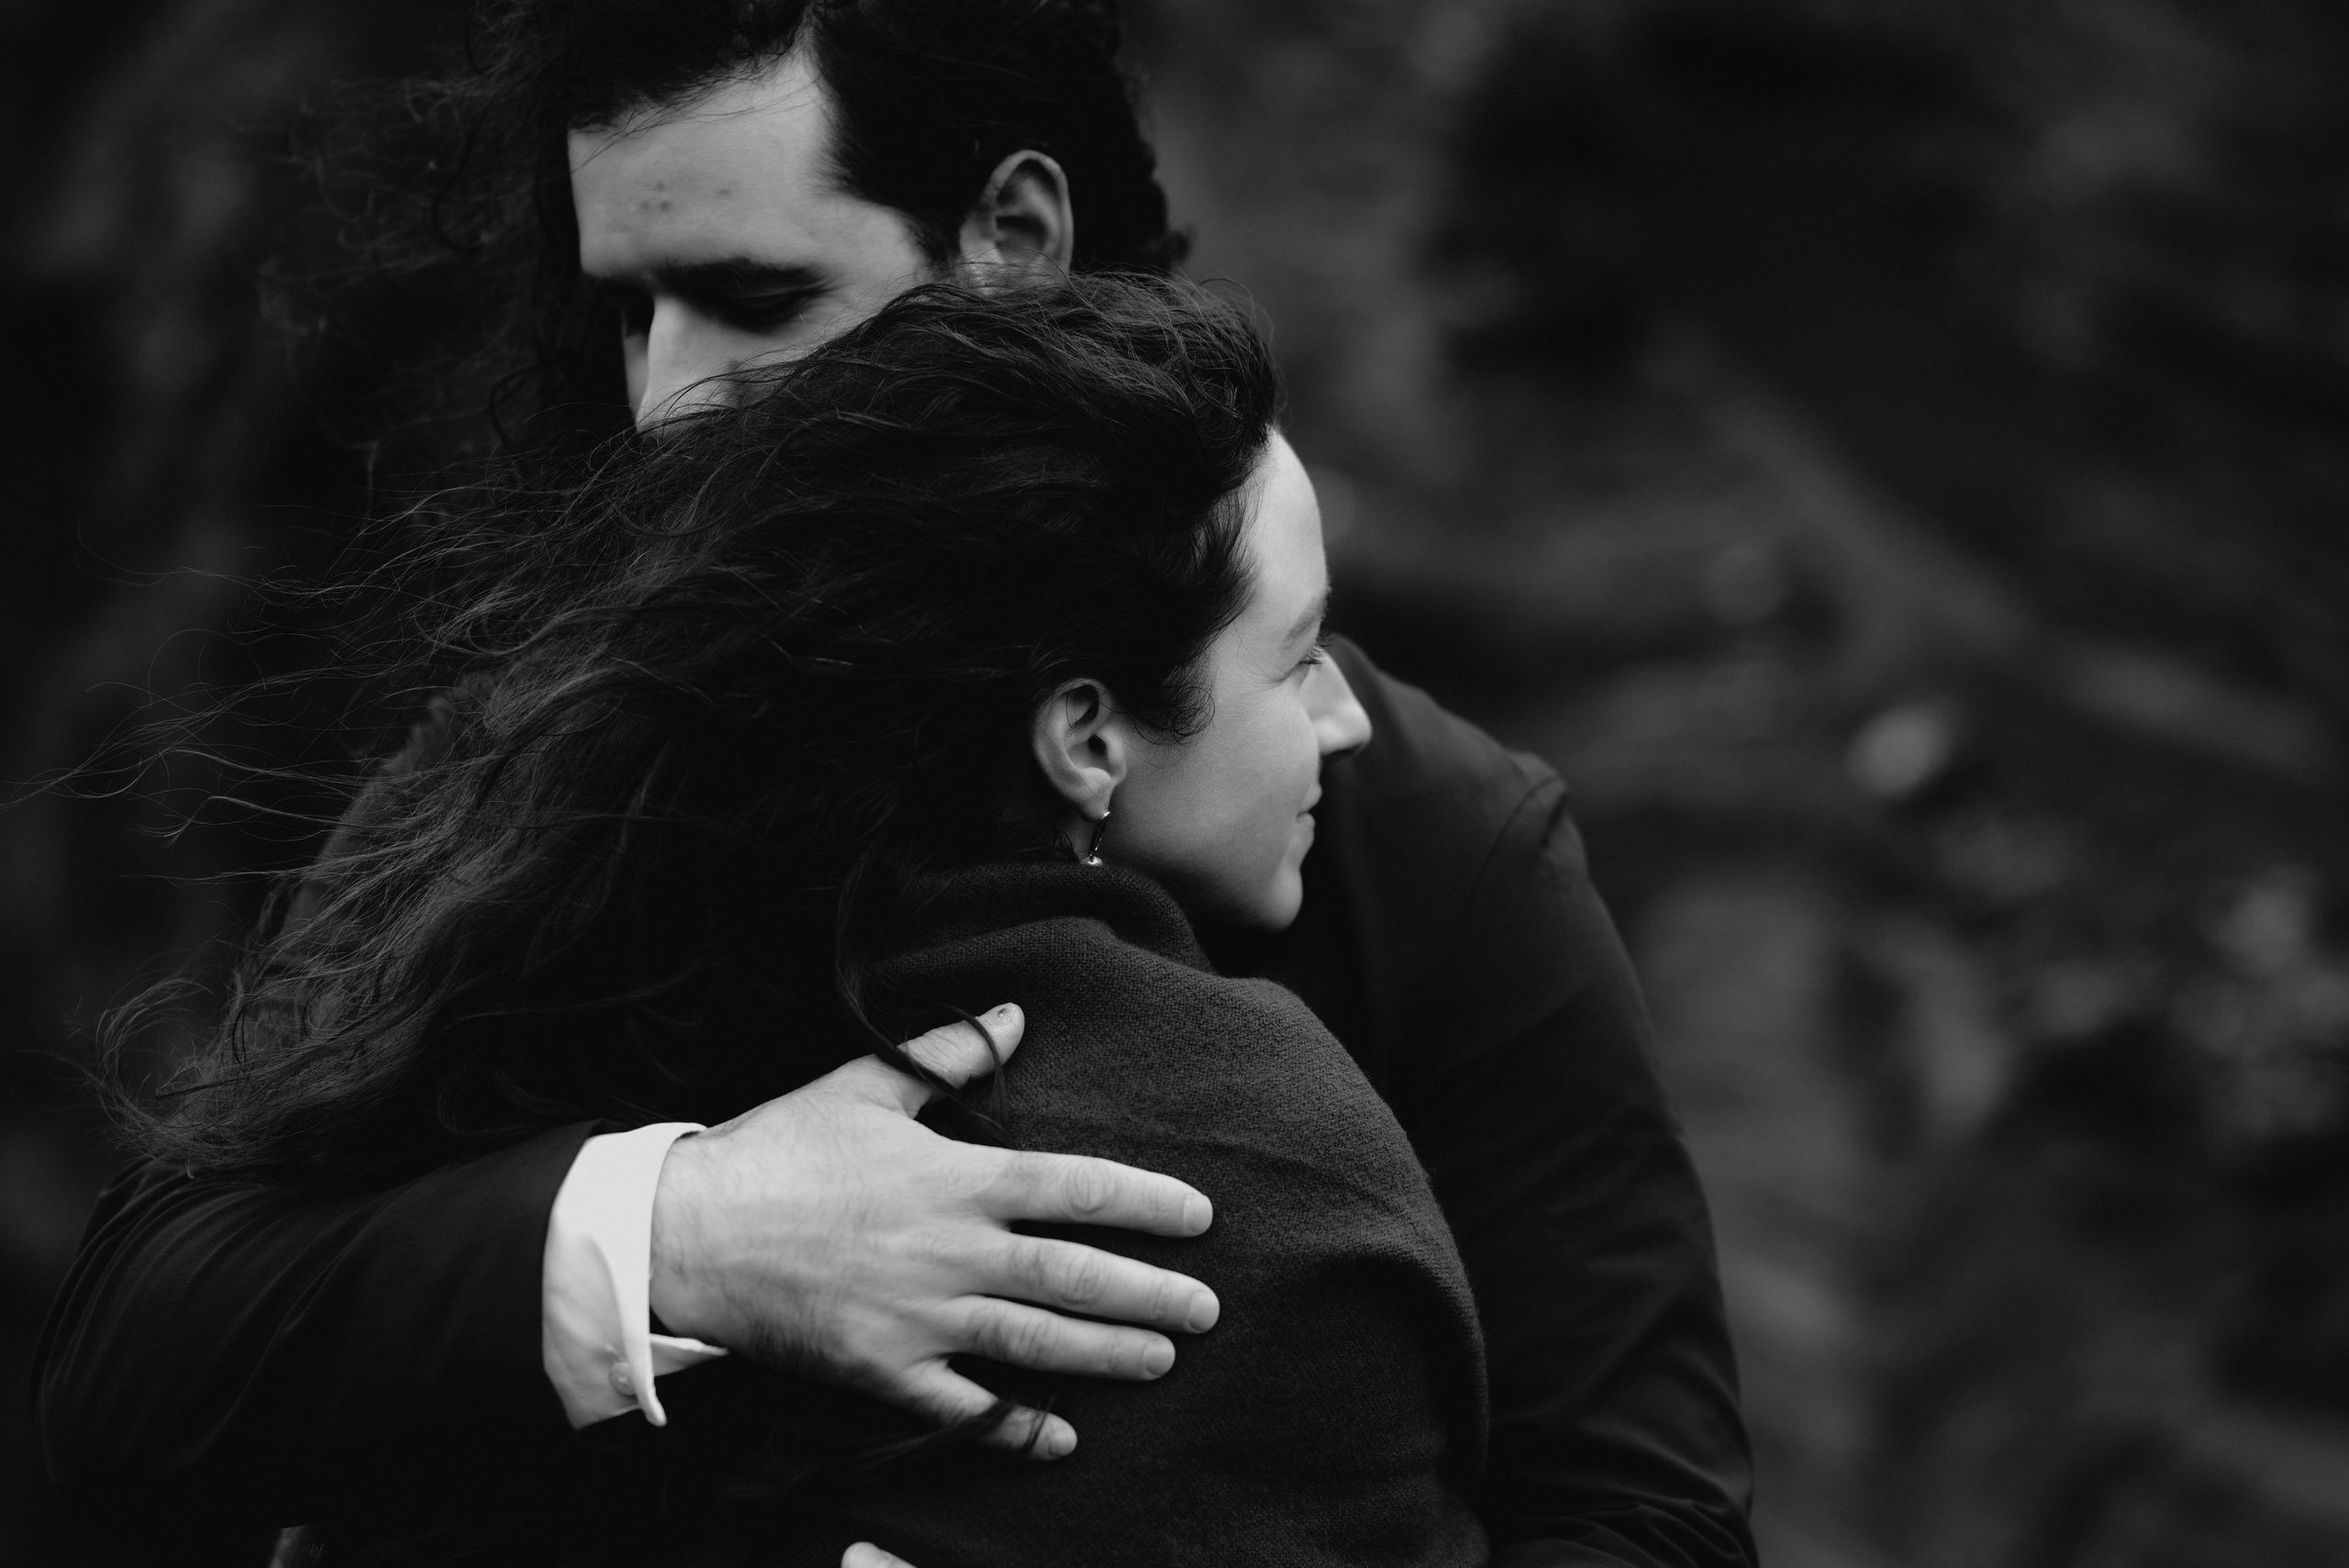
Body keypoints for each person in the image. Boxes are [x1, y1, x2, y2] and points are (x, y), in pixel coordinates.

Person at [36, 5, 1755, 1566]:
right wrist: (687, 1233)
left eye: (759, 299)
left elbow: (1643, 1519)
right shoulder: (548, 770)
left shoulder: (1432, 841)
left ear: (1010, 243)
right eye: (630, 311)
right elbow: (140, 1352)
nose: (666, 407)